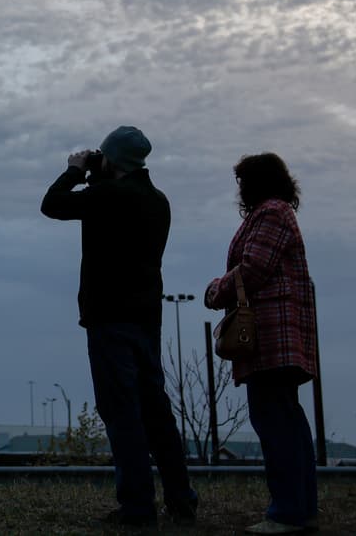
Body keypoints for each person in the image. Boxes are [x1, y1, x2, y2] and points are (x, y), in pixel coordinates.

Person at [40, 126, 197, 527]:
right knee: (157, 414)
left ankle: (138, 507)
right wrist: (100, 171)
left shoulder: (107, 195)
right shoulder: (158, 201)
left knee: (121, 413)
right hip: (147, 319)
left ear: (113, 160)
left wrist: (76, 170)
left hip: (109, 318)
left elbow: (52, 204)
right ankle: (181, 500)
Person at [204, 153, 317, 535]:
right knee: (287, 418)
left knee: (273, 420)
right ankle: (301, 505)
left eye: (243, 181)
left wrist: (216, 290)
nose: (240, 189)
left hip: (273, 334)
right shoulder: (279, 211)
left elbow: (253, 268)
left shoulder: (270, 213)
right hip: (282, 336)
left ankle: (287, 511)